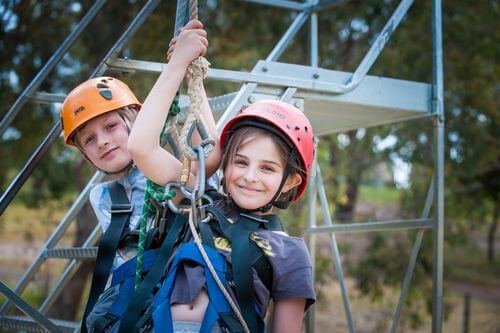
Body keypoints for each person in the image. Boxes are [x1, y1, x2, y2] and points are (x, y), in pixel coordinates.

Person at [129, 19, 316, 332]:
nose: (249, 176)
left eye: (267, 168)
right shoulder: (200, 203)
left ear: (292, 180)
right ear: (226, 162)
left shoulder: (290, 253)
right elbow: (142, 146)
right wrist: (181, 67)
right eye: (240, 162)